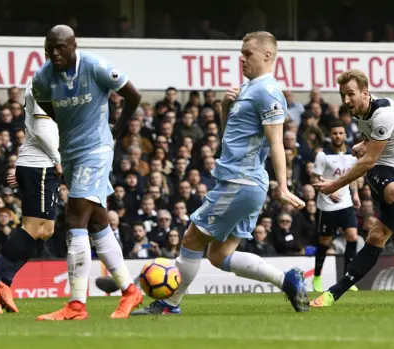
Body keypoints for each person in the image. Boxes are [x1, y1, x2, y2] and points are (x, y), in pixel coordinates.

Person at [132, 31, 308, 315]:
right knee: (218, 254)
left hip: (240, 180)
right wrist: (225, 107)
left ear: (267, 55)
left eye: (248, 53)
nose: (242, 58)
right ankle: (286, 280)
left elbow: (276, 141)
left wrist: (284, 187)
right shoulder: (248, 88)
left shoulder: (268, 91)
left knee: (191, 239)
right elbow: (232, 135)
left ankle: (169, 303)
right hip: (241, 181)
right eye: (241, 52)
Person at [31, 24, 143, 320]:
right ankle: (131, 292)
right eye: (49, 49)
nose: (54, 54)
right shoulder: (42, 78)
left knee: (74, 219)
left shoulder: (95, 67)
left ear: (73, 45)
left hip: (96, 150)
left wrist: (117, 131)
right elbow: (46, 108)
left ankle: (77, 304)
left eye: (60, 48)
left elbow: (133, 95)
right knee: (97, 224)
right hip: (70, 154)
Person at [310, 69, 394, 307]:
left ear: (365, 93)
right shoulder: (361, 114)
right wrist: (364, 142)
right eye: (342, 95)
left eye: (350, 94)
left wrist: (334, 185)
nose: (346, 100)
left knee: (376, 237)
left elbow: (368, 160)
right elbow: (377, 149)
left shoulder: (382, 114)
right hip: (386, 170)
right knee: (392, 190)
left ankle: (333, 293)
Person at [0, 48, 62, 314]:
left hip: (40, 165)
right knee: (33, 227)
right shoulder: (40, 85)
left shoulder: (55, 87)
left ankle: (5, 281)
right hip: (41, 165)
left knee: (46, 230)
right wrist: (59, 160)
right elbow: (40, 129)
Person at [310, 120, 361, 292]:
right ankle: (317, 275)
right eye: (334, 133)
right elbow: (314, 178)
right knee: (325, 242)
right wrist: (329, 191)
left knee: (353, 237)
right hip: (327, 205)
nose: (338, 136)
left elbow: (351, 177)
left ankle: (348, 279)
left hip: (345, 203)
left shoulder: (352, 155)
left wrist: (355, 194)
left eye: (340, 133)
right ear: (330, 136)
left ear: (345, 135)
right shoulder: (323, 155)